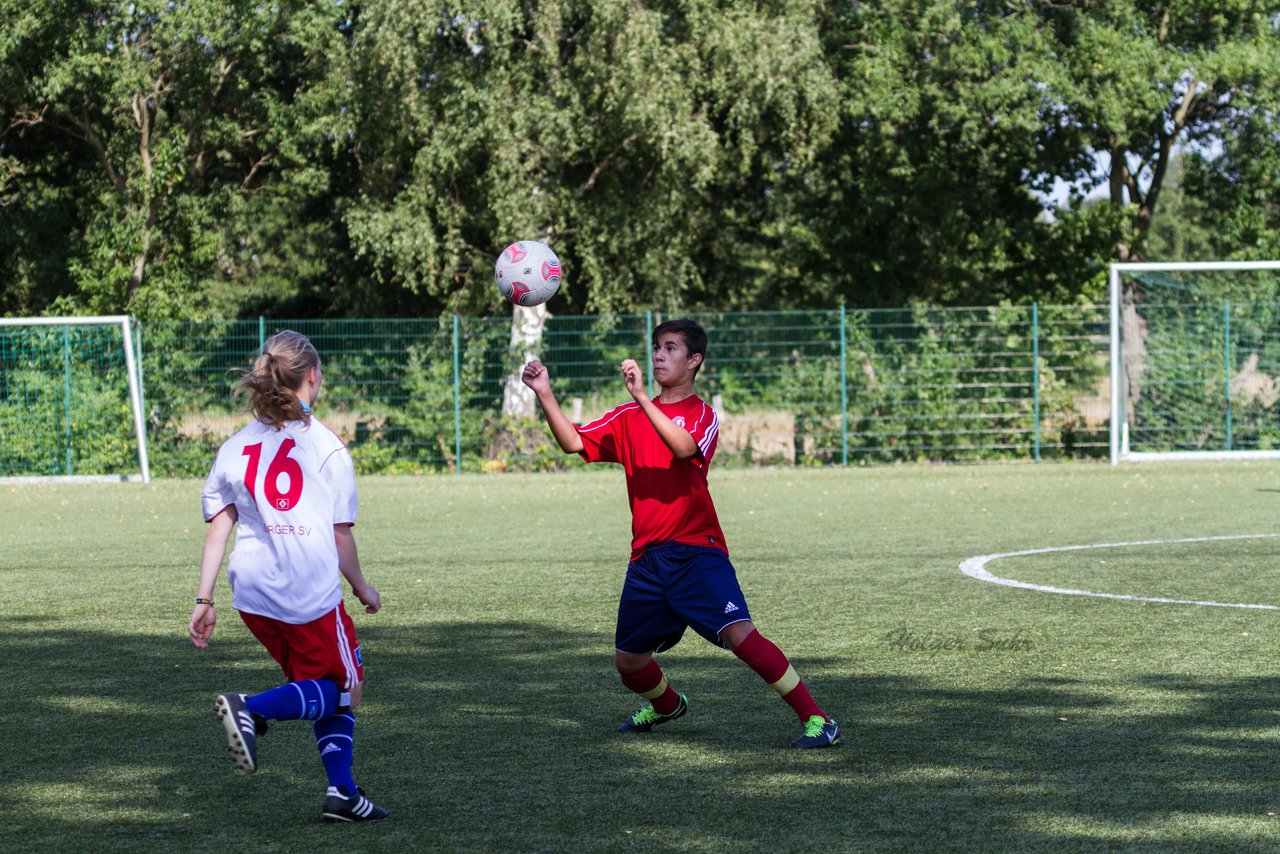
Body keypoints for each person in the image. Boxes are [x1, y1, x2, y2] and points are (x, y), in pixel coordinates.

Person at [521, 318, 839, 748]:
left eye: (670, 348)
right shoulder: (627, 416)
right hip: (646, 560)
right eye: (656, 347)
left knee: (740, 635)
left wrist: (640, 398)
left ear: (694, 361)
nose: (658, 355)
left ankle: (818, 720)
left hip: (695, 552)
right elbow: (574, 443)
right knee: (629, 664)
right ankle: (668, 705)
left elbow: (684, 447)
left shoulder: (702, 415)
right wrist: (544, 393)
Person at [188, 330, 389, 822]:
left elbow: (220, 525)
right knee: (347, 688)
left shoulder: (235, 447)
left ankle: (342, 794)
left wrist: (204, 599)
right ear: (312, 377)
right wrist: (362, 587)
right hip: (307, 590)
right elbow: (340, 536)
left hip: (252, 592)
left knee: (316, 684)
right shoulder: (326, 447)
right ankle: (251, 709)